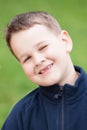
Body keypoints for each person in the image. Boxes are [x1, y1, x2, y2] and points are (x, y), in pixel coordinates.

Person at [1, 11, 87, 130]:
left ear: (65, 41)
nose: (37, 60)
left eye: (43, 47)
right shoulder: (22, 114)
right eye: (27, 58)